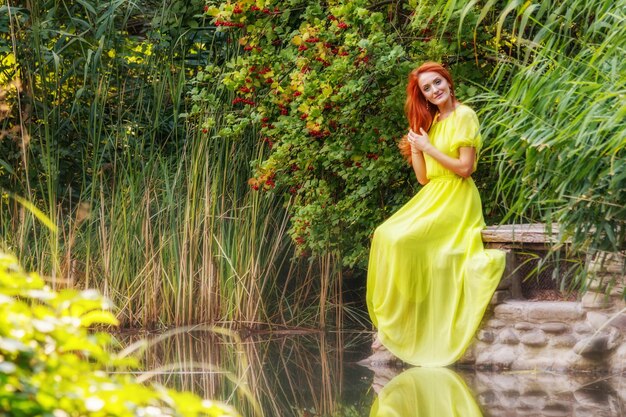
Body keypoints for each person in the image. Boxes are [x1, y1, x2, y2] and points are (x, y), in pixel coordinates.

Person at [366, 62, 505, 367]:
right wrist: (417, 146)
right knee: (385, 235)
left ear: (448, 81)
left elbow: (465, 168)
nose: (434, 90)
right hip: (433, 194)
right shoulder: (432, 123)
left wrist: (429, 147)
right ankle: (393, 323)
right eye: (427, 89)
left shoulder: (464, 116)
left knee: (403, 240)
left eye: (437, 82)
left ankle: (398, 325)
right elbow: (424, 178)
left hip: (457, 196)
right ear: (424, 96)